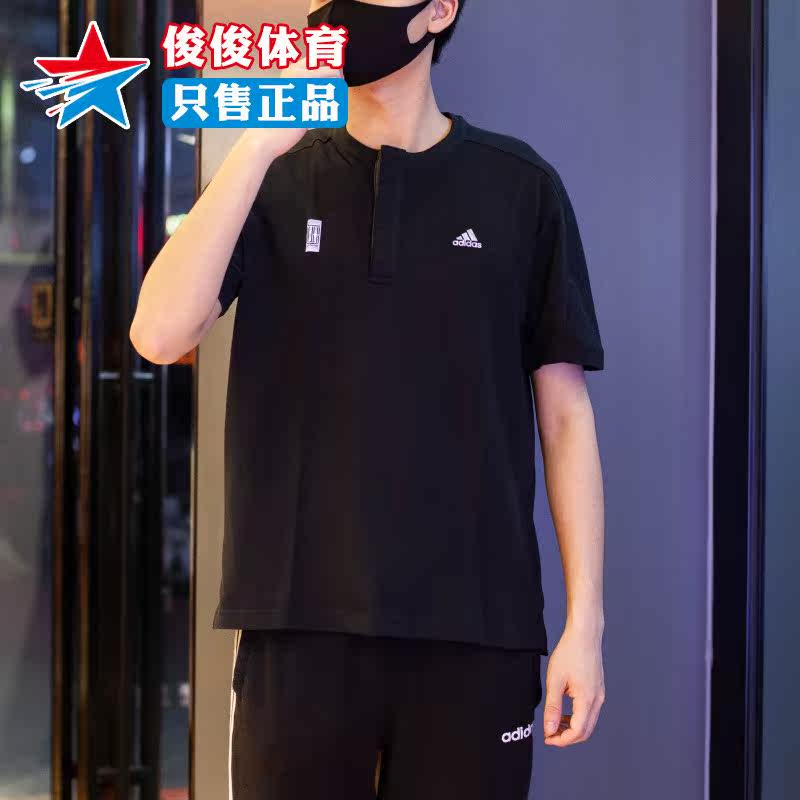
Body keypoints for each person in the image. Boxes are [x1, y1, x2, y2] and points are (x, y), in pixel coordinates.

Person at [131, 1, 606, 797]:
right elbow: (157, 333)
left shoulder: (521, 187)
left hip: (476, 626)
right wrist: (259, 143)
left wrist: (585, 622)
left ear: (438, 10)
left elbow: (566, 419)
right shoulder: (274, 174)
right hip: (297, 623)